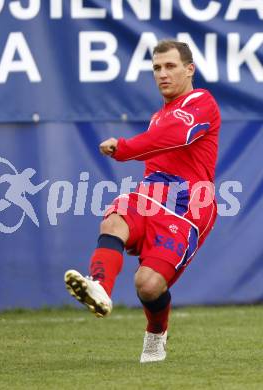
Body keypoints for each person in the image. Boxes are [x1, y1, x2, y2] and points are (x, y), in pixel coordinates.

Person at [64, 40, 221, 363]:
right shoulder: (158, 116)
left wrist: (124, 148)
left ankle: (155, 334)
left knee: (147, 285)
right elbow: (160, 145)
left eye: (170, 66)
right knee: (114, 219)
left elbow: (176, 136)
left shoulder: (201, 102)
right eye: (157, 68)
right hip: (152, 195)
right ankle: (100, 288)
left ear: (189, 70)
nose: (162, 74)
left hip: (189, 206)